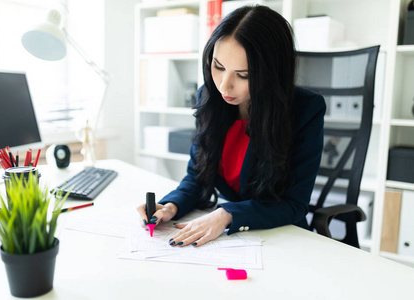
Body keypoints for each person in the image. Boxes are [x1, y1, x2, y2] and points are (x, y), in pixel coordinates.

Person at [137, 5, 326, 247]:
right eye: (218, 67)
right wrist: (170, 206)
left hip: (281, 236)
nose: (225, 86)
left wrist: (227, 214)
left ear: (272, 73)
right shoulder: (209, 97)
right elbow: (196, 178)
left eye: (243, 75)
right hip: (230, 239)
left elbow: (294, 205)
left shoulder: (306, 110)